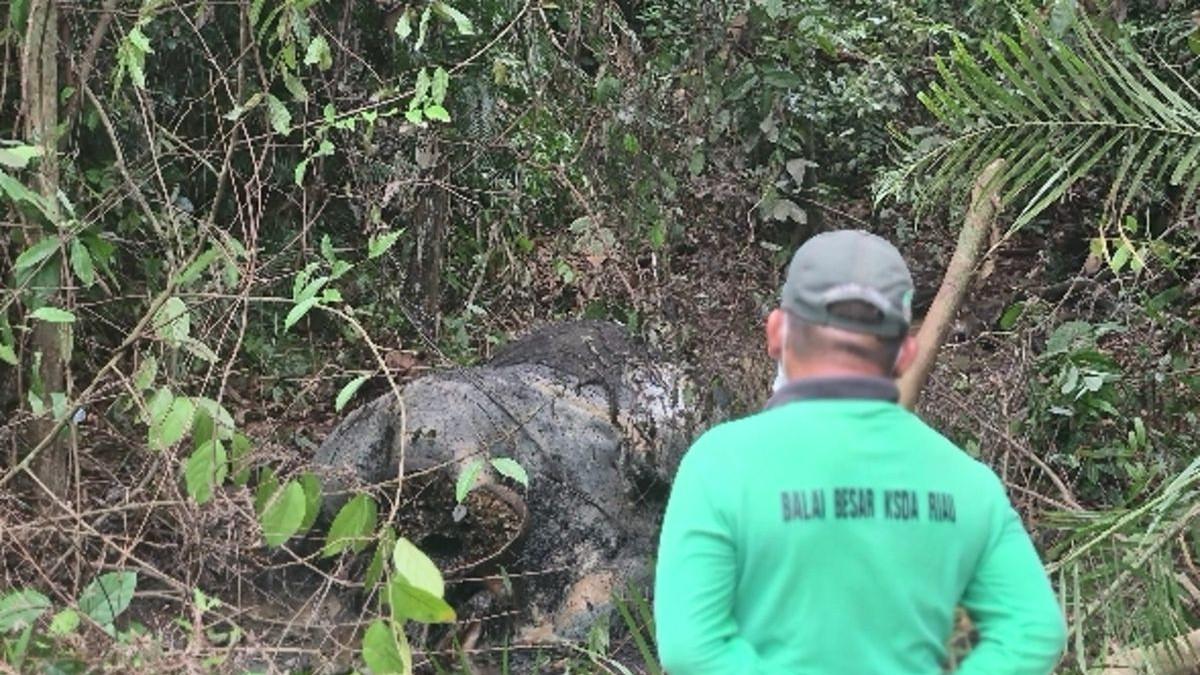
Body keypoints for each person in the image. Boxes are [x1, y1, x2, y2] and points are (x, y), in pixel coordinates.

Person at [653, 230, 1067, 674]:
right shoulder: (968, 482)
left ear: (776, 332)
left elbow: (690, 648)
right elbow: (1035, 631)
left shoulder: (719, 465)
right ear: (906, 353)